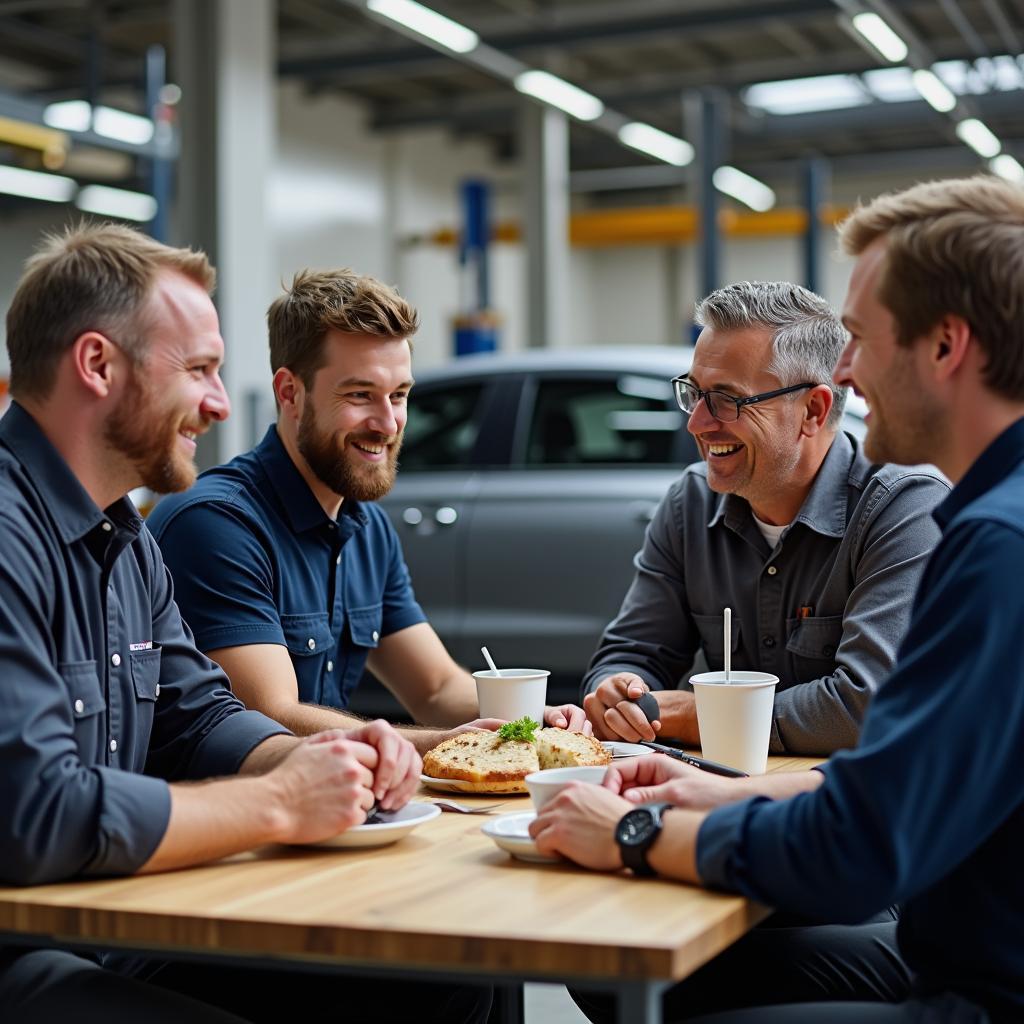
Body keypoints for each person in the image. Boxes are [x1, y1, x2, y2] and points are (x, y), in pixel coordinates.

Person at [534, 175, 1024, 1023]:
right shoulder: (996, 515)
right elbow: (890, 793)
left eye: (864, 339)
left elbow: (865, 843)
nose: (849, 369)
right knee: (647, 978)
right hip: (956, 949)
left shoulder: (992, 540)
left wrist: (638, 833)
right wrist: (710, 793)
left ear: (946, 346)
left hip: (977, 991)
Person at [0, 223, 489, 1024]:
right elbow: (35, 814)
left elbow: (199, 717)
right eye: (199, 371)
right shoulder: (12, 533)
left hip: (116, 924)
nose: (222, 404)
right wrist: (279, 803)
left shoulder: (125, 540)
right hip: (25, 951)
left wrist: (326, 753)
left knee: (450, 976)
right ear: (96, 365)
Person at [147, 269, 586, 753]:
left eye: (399, 395)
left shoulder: (366, 526)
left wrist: (528, 722)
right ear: (290, 392)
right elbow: (269, 716)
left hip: (331, 802)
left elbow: (436, 687)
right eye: (360, 395)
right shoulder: (217, 525)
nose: (388, 422)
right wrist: (437, 746)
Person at [582, 280, 948, 755]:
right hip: (727, 795)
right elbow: (630, 653)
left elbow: (870, 703)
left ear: (813, 411)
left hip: (858, 812)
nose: (697, 423)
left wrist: (697, 715)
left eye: (727, 400)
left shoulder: (903, 510)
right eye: (694, 393)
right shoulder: (690, 503)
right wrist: (620, 693)